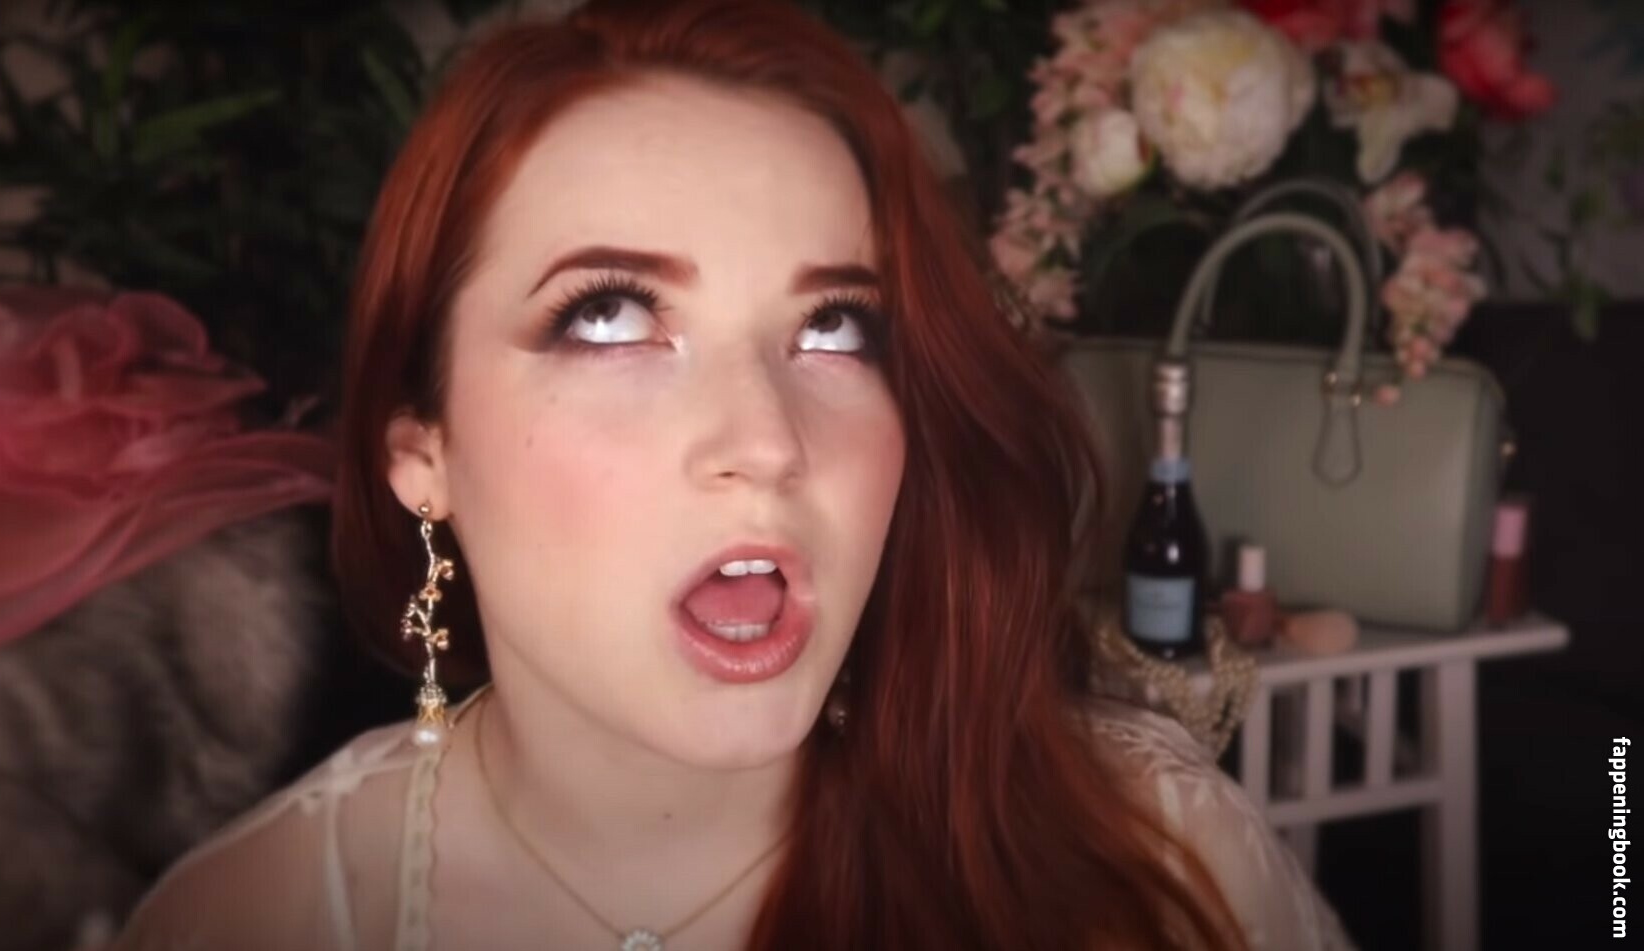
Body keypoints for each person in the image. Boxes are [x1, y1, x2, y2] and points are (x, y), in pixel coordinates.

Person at [114, 1, 1358, 949]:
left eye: (835, 328)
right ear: (421, 456)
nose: (765, 439)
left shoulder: (1157, 860)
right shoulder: (249, 920)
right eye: (609, 317)